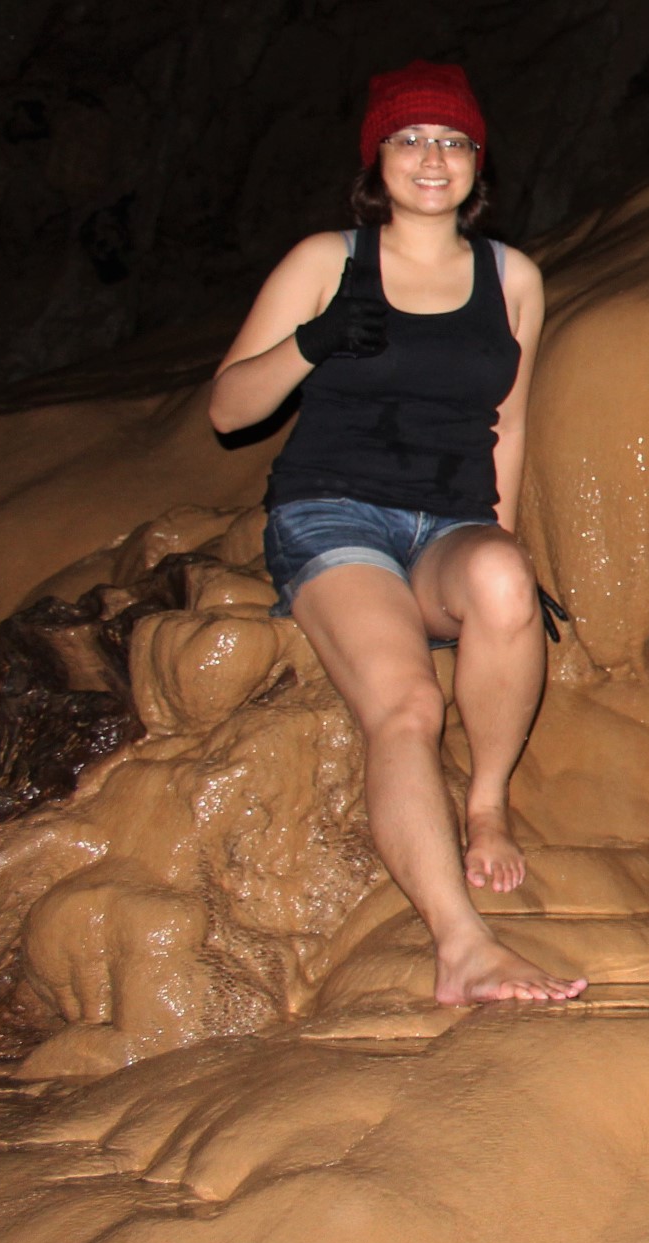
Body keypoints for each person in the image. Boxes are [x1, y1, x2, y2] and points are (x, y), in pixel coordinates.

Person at [209, 61, 584, 1004]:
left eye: (454, 141)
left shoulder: (514, 277)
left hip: (444, 524)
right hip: (333, 512)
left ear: (477, 163)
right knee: (408, 707)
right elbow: (226, 408)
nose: (433, 158)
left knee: (502, 581)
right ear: (376, 158)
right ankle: (462, 945)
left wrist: (499, 544)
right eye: (411, 138)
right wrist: (314, 341)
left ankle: (487, 805)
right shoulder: (325, 262)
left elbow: (512, 422)